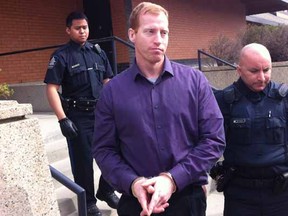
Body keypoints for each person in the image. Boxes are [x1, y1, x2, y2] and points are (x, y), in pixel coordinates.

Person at [92, 2, 225, 216]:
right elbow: (104, 150)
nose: (159, 39)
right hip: (137, 202)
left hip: (186, 199)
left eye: (164, 32)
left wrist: (173, 179)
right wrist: (133, 183)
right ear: (132, 34)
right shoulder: (112, 91)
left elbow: (214, 139)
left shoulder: (195, 82)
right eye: (150, 31)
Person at [44, 11, 119, 216]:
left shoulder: (98, 52)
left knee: (115, 151)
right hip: (77, 116)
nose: (83, 31)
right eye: (78, 28)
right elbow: (52, 88)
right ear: (68, 30)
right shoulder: (61, 56)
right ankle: (88, 202)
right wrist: (63, 119)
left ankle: (106, 189)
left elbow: (108, 82)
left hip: (102, 113)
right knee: (83, 162)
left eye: (85, 27)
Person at [213, 43, 288, 216]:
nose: (262, 77)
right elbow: (207, 141)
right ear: (239, 70)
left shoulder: (283, 98)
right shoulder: (223, 101)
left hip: (280, 193)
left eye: (267, 70)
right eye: (254, 71)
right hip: (240, 194)